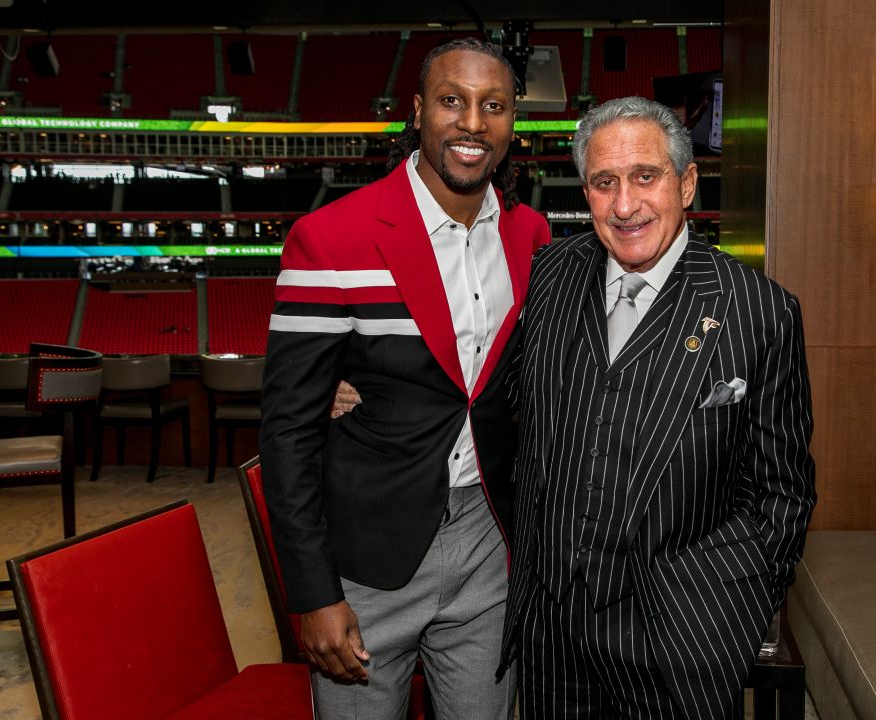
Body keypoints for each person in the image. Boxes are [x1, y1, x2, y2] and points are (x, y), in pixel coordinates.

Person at [498, 96, 816, 719]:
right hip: (551, 640)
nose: (624, 205)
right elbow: (492, 400)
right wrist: (360, 385)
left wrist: (723, 611)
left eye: (646, 177)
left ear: (687, 182)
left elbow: (785, 495)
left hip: (678, 648)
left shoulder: (761, 312)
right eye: (604, 182)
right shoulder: (546, 276)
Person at [260, 38, 549, 720]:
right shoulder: (331, 238)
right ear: (418, 112)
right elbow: (287, 430)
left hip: (489, 540)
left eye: (494, 106)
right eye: (453, 101)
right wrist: (313, 593)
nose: (473, 123)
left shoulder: (531, 237)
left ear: (513, 122)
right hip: (366, 556)